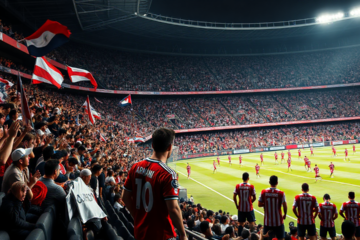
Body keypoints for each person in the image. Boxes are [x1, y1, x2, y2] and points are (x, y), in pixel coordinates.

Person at [122, 128, 187, 240]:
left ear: (152, 145)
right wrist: (183, 233)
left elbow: (125, 197)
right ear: (170, 147)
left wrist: (137, 218)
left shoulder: (135, 167)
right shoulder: (168, 174)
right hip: (161, 234)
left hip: (140, 232)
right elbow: (173, 208)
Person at [258, 175, 287, 240]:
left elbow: (259, 204)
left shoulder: (264, 192)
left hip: (267, 221)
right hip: (278, 221)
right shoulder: (281, 193)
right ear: (277, 183)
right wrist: (285, 214)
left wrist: (266, 204)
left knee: (266, 238)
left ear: (269, 182)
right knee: (281, 238)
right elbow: (284, 205)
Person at [233, 172, 256, 236]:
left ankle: (240, 236)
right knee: (252, 223)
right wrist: (250, 202)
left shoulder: (238, 186)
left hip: (241, 207)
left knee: (240, 224)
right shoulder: (251, 186)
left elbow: (234, 196)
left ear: (242, 178)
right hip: (249, 208)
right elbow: (254, 197)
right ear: (248, 178)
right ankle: (251, 236)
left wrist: (237, 205)